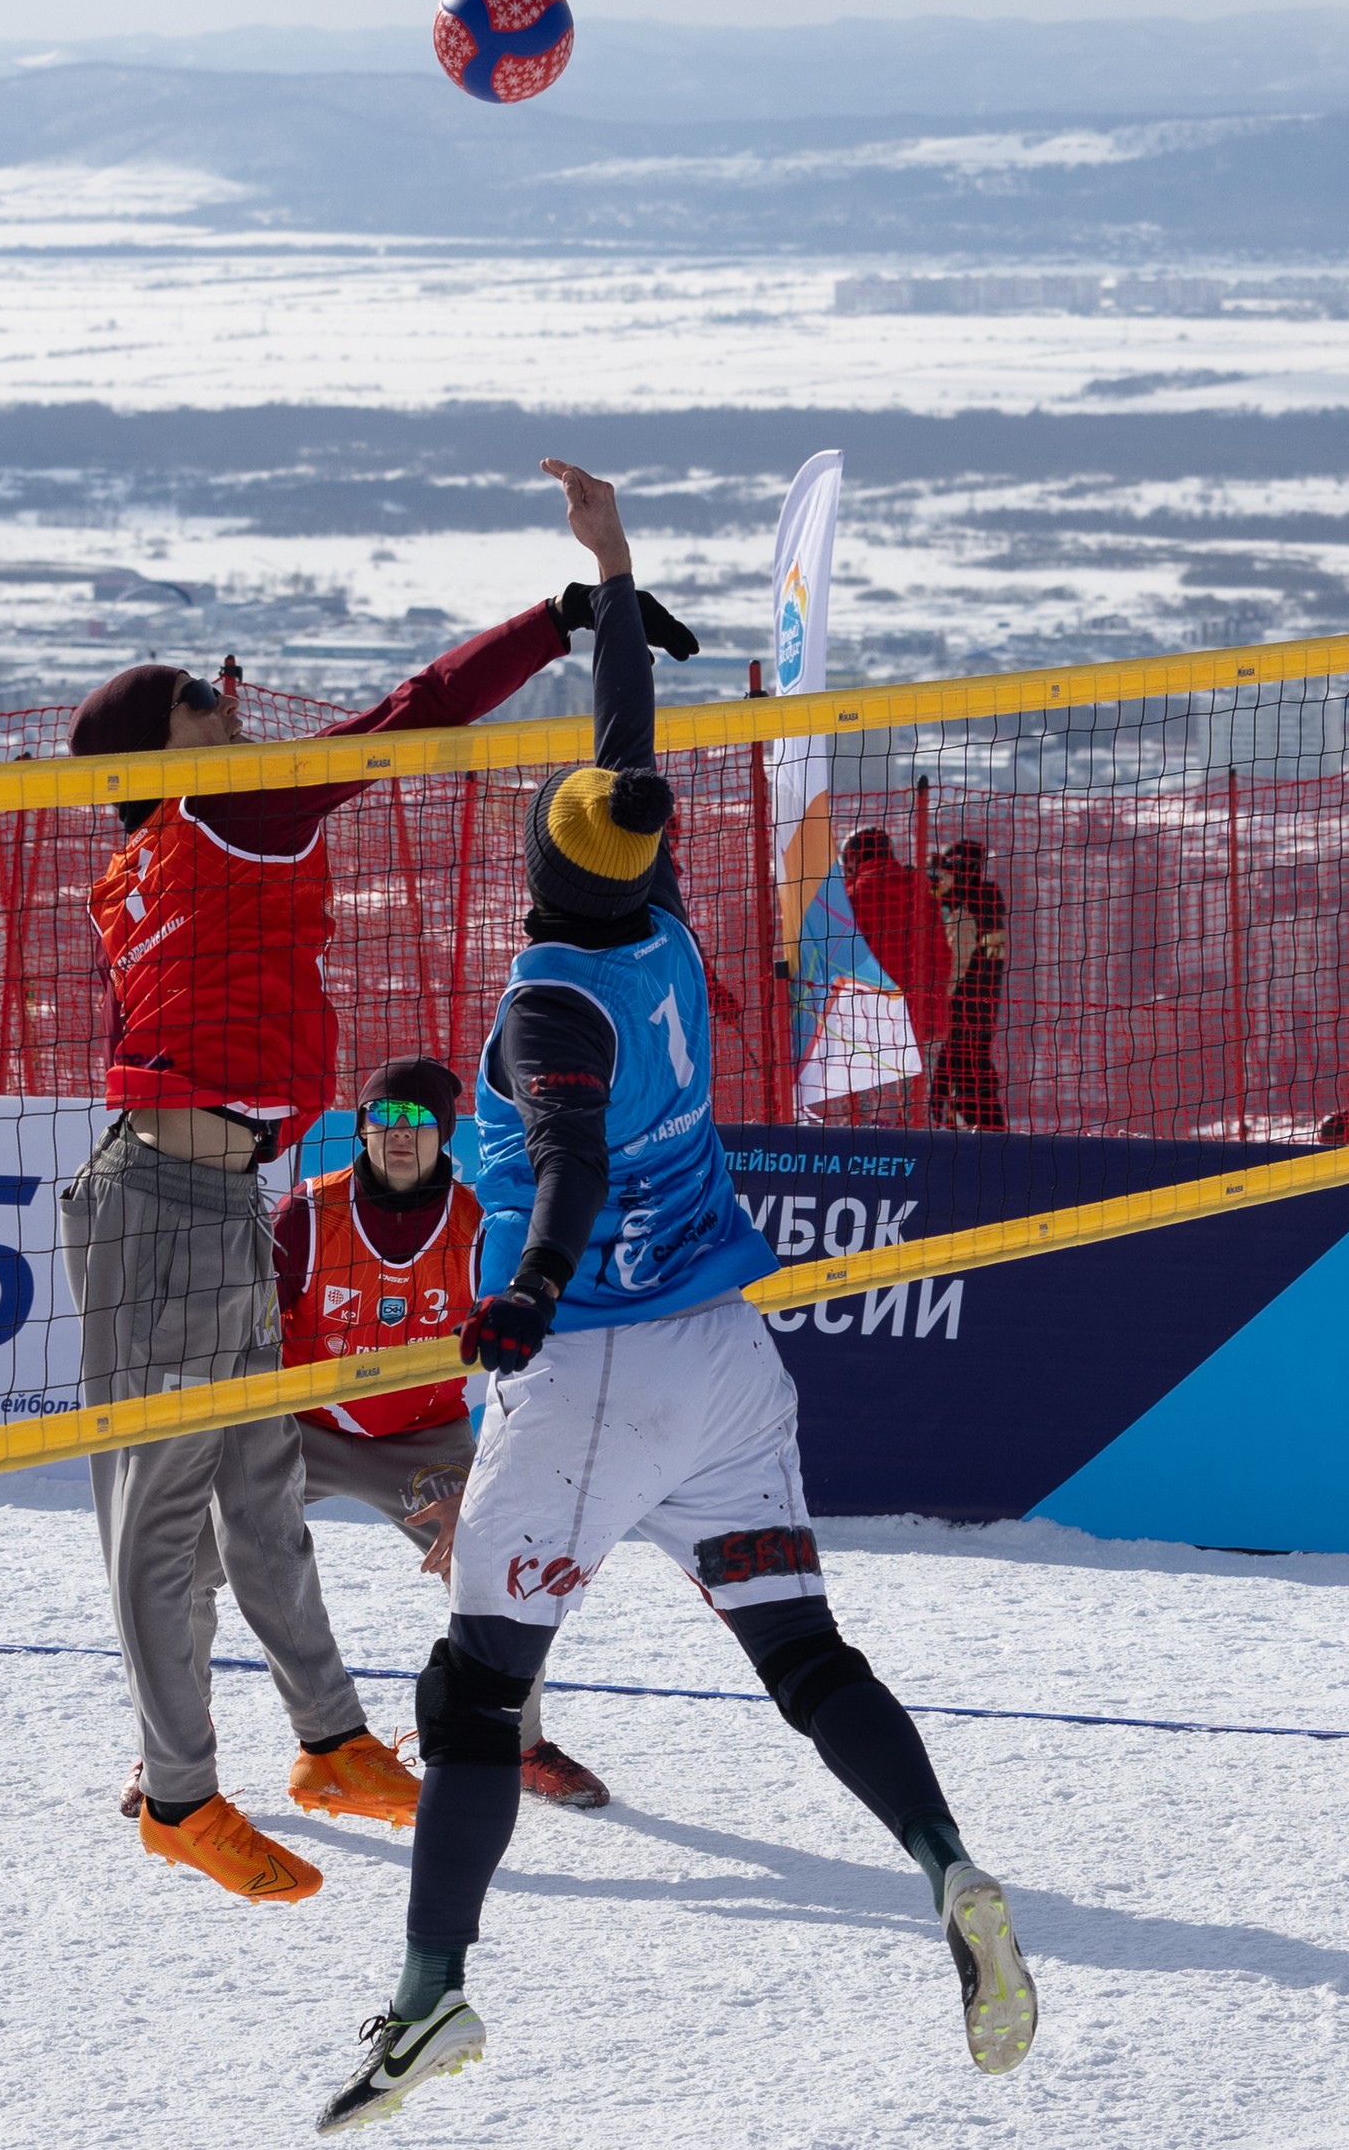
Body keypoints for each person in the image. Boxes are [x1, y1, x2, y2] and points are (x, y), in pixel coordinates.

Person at [314, 463, 1037, 2135]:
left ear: (536, 870)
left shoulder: (548, 1001)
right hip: (727, 1360)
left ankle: (431, 1999)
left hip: (594, 1371)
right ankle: (947, 1861)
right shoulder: (652, 923)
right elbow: (630, 763)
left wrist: (530, 1292)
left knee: (471, 1693)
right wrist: (614, 581)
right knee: (799, 1646)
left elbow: (561, 1165)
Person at [61, 589, 687, 1903]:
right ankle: (175, 1792)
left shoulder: (151, 853)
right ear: (159, 748)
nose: (229, 709)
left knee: (246, 1489)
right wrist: (557, 618)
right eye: (201, 702)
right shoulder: (222, 815)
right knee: (164, 1511)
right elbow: (412, 712)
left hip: (218, 1192)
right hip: (164, 1196)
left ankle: (328, 1742)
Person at [117, 1055, 609, 1817]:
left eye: (415, 1120)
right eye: (382, 1118)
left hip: (423, 1439)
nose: (397, 1133)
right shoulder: (307, 1214)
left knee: (503, 1569)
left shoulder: (481, 1225)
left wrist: (490, 1488)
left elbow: (523, 1368)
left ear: (445, 1135)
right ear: (363, 1128)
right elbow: (242, 1339)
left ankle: (518, 1745)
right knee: (181, 1571)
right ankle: (166, 1758)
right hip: (299, 1432)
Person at [839, 826, 951, 1119]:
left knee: (865, 1114)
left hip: (871, 1019)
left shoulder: (852, 898)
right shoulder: (924, 892)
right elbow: (943, 953)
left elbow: (840, 960)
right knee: (916, 1109)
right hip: (924, 1015)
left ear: (853, 858)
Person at [927, 841, 1009, 1132]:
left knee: (961, 1082)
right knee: (970, 1079)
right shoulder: (986, 901)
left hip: (963, 1010)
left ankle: (989, 1138)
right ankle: (990, 1136)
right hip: (980, 1012)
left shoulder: (971, 910)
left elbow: (959, 963)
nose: (940, 879)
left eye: (947, 871)